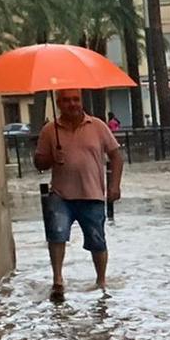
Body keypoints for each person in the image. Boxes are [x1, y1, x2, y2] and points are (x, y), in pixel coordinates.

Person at [34, 89, 123, 300]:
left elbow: (116, 157)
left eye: (75, 99)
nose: (71, 104)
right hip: (60, 195)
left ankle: (101, 281)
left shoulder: (98, 126)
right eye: (66, 100)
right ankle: (57, 280)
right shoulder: (50, 130)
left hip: (92, 194)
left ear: (81, 102)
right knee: (56, 234)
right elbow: (38, 163)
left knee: (97, 239)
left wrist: (115, 186)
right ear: (58, 104)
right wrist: (52, 158)